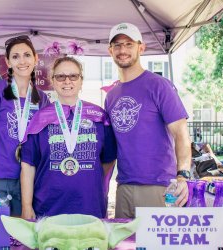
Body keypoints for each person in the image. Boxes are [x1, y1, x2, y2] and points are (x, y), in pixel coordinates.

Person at [104, 23, 191, 218]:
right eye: (117, 45)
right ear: (110, 51)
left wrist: (183, 176)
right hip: (124, 187)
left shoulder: (159, 85)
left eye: (129, 44)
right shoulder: (111, 96)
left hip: (159, 187)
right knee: (122, 246)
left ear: (141, 48)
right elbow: (112, 147)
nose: (123, 50)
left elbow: (181, 133)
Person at [20, 57, 117, 219]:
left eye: (73, 76)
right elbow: (28, 165)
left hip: (90, 205)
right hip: (48, 208)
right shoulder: (40, 119)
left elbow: (107, 160)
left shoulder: (99, 117)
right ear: (52, 81)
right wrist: (26, 206)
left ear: (81, 81)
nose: (67, 81)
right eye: (60, 76)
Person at [0, 35, 49, 216]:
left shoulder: (42, 98)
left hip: (28, 179)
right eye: (15, 56)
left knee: (23, 239)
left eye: (27, 55)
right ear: (7, 61)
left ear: (35, 58)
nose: (22, 61)